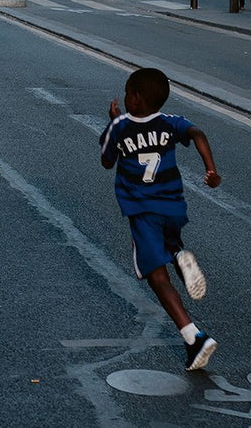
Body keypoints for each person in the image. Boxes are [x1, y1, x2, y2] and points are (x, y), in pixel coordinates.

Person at [100, 67, 221, 372]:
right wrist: (210, 170)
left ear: (136, 98)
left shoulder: (121, 127)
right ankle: (180, 255)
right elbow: (197, 133)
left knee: (156, 277)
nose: (125, 96)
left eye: (128, 91)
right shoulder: (170, 123)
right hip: (173, 206)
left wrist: (113, 121)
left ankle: (193, 337)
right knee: (170, 242)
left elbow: (106, 160)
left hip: (142, 210)